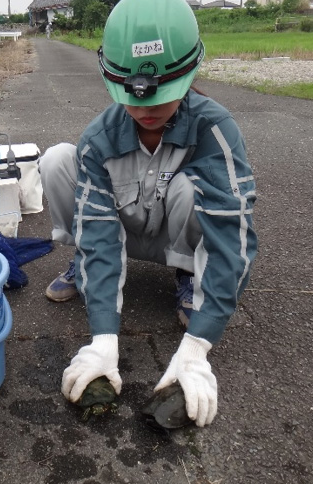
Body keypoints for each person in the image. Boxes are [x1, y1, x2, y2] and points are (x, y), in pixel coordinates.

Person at [39, 0, 258, 427]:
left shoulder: (215, 129)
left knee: (192, 188)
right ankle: (85, 266)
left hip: (176, 236)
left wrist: (197, 347)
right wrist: (103, 339)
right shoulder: (99, 138)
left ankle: (189, 275)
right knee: (57, 159)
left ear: (189, 75)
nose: (146, 110)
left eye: (162, 95)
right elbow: (99, 229)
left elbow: (231, 234)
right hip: (117, 230)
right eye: (134, 99)